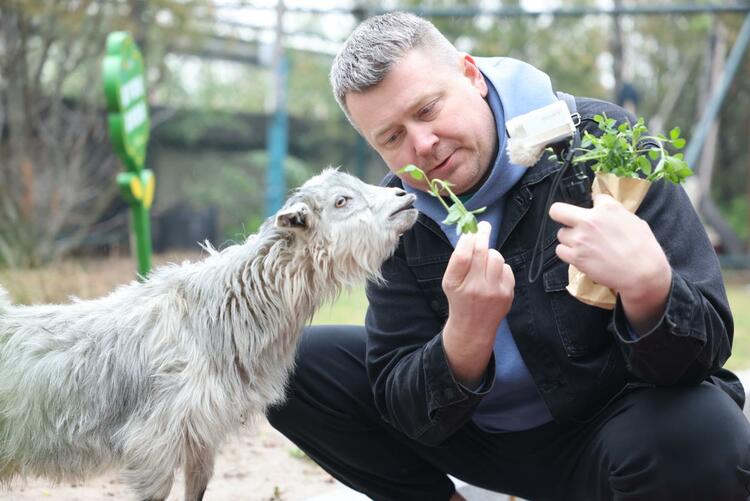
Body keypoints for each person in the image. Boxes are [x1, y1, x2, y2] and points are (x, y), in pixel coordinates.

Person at [268, 11, 750, 501]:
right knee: (288, 361)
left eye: (429, 109)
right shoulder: (393, 217)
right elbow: (404, 408)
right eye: (391, 137)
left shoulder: (603, 146)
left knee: (705, 434)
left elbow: (704, 353)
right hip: (481, 443)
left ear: (471, 76)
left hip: (613, 429)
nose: (423, 145)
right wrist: (465, 337)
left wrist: (649, 287)